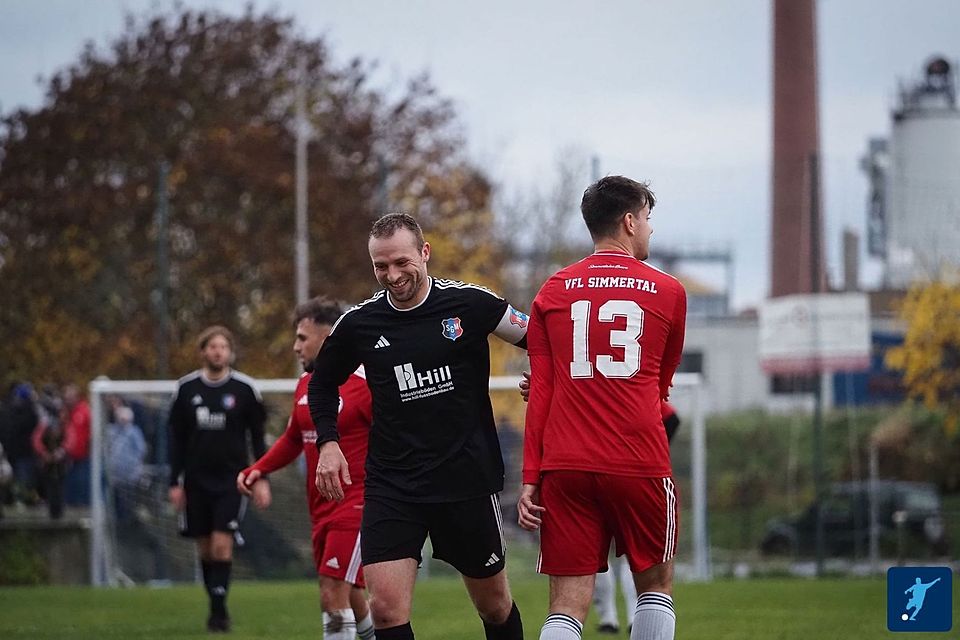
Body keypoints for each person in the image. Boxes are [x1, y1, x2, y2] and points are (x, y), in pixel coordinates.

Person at [309, 213, 529, 640]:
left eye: (401, 262)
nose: (392, 275)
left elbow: (540, 338)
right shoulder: (359, 323)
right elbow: (321, 384)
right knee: (387, 611)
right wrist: (328, 443)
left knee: (495, 607)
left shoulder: (472, 304)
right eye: (380, 266)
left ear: (425, 253)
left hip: (465, 480)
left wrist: (543, 376)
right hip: (394, 485)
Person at [518, 176, 687, 640]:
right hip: (639, 461)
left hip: (566, 464)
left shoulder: (552, 291)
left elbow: (542, 393)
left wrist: (531, 477)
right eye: (648, 219)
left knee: (567, 604)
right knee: (655, 586)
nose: (650, 229)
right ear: (630, 222)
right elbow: (659, 386)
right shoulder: (669, 291)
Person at [237, 297, 376, 640]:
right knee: (352, 593)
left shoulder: (367, 383)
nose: (295, 346)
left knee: (332, 590)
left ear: (328, 338)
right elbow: (293, 439)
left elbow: (398, 441)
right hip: (320, 507)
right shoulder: (308, 384)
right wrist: (258, 469)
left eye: (302, 337)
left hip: (359, 503)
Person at [168, 325, 270, 633]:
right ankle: (216, 604)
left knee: (222, 545)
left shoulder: (245, 390)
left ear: (230, 352)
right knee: (205, 548)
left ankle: (218, 613)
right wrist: (174, 481)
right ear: (203, 352)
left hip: (232, 481)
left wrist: (261, 476)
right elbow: (176, 439)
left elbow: (258, 439)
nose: (217, 352)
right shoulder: (186, 390)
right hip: (195, 481)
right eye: (212, 347)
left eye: (223, 347)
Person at [593, 401, 681, 635]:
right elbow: (671, 417)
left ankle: (610, 618)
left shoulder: (583, 381)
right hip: (634, 475)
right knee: (637, 557)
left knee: (597, 554)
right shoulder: (630, 382)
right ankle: (629, 615)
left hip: (590, 473)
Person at [106, 405, 147, 523]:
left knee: (127, 499)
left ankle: (126, 521)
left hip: (129, 474)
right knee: (115, 498)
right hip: (114, 473)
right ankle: (117, 519)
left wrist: (133, 464)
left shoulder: (134, 432)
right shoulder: (111, 431)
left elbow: (141, 450)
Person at [61, 383, 92, 506]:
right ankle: (71, 505)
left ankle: (83, 506)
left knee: (82, 481)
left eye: (70, 397)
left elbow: (91, 431)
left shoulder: (84, 411)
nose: (68, 400)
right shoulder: (66, 413)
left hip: (83, 455)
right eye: (66, 397)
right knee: (70, 481)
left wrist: (89, 446)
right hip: (69, 455)